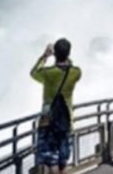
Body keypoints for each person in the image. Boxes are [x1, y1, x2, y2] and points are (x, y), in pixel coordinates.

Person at [31, 38, 82, 174]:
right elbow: (70, 65)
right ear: (69, 53)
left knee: (50, 160)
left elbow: (34, 72)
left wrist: (45, 56)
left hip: (48, 122)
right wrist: (64, 57)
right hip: (66, 121)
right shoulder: (75, 72)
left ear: (55, 54)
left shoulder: (48, 73)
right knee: (62, 162)